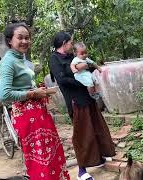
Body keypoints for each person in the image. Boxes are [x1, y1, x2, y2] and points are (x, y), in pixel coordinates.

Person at [0, 23, 70, 180]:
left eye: (27, 38)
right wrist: (31, 94)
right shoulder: (8, 62)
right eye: (20, 38)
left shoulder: (21, 59)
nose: (25, 41)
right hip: (27, 115)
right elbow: (3, 95)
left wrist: (39, 92)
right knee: (40, 159)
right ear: (10, 40)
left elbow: (25, 86)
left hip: (38, 112)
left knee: (50, 153)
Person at [49, 32, 116, 180]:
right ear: (63, 43)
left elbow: (86, 69)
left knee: (97, 128)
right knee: (82, 134)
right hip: (76, 101)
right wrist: (81, 82)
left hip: (88, 97)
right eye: (70, 42)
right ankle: (81, 170)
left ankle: (99, 158)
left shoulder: (72, 57)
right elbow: (62, 80)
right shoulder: (55, 59)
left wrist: (92, 67)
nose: (72, 45)